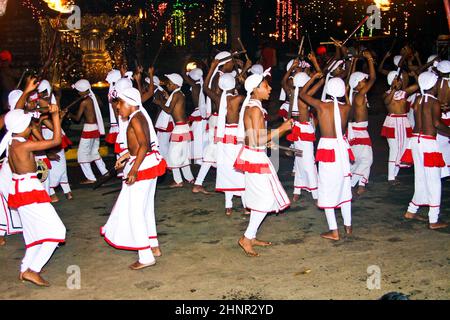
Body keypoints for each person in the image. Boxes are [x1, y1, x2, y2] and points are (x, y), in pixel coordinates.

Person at [101, 87, 167, 269]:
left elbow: (144, 145)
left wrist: (134, 169)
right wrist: (125, 157)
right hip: (148, 163)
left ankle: (145, 256)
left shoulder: (136, 119)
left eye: (119, 104)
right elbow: (139, 145)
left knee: (135, 212)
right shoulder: (138, 116)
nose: (117, 108)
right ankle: (153, 246)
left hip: (143, 166)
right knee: (145, 209)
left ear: (129, 102)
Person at [0, 107, 66, 286]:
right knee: (58, 231)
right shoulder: (24, 145)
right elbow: (57, 140)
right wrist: (54, 116)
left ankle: (24, 268)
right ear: (22, 126)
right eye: (29, 124)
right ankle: (33, 270)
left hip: (19, 188)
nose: (31, 126)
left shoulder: (11, 143)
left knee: (32, 233)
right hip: (29, 189)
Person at [234, 70, 292, 257]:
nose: (270, 89)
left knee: (260, 197)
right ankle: (246, 237)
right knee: (266, 199)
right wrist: (282, 128)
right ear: (256, 89)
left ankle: (251, 237)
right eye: (266, 86)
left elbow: (251, 138)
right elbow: (257, 140)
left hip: (252, 155)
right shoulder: (256, 109)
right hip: (255, 157)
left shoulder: (252, 106)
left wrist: (267, 139)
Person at [300, 75, 353, 241]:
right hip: (342, 148)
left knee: (327, 187)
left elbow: (302, 94)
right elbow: (345, 100)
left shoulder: (321, 106)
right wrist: (345, 93)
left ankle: (334, 231)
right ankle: (348, 226)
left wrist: (315, 78)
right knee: (344, 185)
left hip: (328, 149)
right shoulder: (347, 108)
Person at [401, 72, 449, 229]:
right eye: (436, 84)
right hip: (428, 143)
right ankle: (433, 219)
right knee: (434, 180)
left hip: (415, 140)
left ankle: (411, 210)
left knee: (421, 177)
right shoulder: (433, 102)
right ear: (432, 85)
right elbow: (436, 123)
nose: (437, 86)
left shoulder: (418, 99)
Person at [193, 52, 235, 194]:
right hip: (218, 120)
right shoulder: (219, 77)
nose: (233, 64)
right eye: (231, 62)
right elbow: (215, 96)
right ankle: (229, 183)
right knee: (219, 150)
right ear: (226, 63)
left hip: (216, 119)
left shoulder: (218, 75)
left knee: (214, 151)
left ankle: (199, 183)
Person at [214, 72, 246, 215]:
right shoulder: (237, 98)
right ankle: (246, 205)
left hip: (224, 134)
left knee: (227, 167)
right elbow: (249, 95)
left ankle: (228, 205)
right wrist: (242, 82)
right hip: (235, 134)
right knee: (240, 167)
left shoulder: (219, 99)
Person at [154, 74, 194, 187]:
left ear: (176, 84)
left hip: (180, 128)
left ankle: (178, 181)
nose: (167, 85)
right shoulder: (178, 94)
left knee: (172, 155)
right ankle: (189, 178)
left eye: (170, 83)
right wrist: (167, 98)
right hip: (183, 127)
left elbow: (169, 110)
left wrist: (160, 103)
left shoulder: (176, 94)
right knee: (183, 154)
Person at [37, 80, 73, 202]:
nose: (42, 96)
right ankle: (53, 193)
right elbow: (53, 125)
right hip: (47, 137)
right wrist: (59, 117)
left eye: (43, 92)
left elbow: (56, 127)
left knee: (60, 164)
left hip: (56, 136)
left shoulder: (53, 100)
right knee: (50, 166)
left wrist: (59, 116)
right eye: (40, 93)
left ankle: (66, 192)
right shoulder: (40, 106)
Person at [347, 51, 376, 195]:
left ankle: (358, 184)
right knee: (366, 159)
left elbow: (350, 81)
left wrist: (353, 63)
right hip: (358, 130)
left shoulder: (353, 94)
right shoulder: (359, 95)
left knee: (359, 159)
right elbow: (373, 78)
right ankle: (351, 182)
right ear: (358, 85)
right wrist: (369, 59)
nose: (365, 82)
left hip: (356, 129)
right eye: (363, 81)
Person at [69, 79, 108, 184]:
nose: (77, 93)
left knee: (82, 154)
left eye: (78, 91)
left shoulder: (85, 101)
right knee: (94, 151)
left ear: (83, 91)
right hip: (96, 128)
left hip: (89, 129)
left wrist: (69, 114)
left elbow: (77, 118)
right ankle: (104, 171)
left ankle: (91, 177)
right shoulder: (94, 98)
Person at [381, 71, 418, 185]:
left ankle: (395, 175)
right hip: (392, 122)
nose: (400, 82)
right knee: (394, 149)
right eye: (398, 80)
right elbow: (387, 102)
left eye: (400, 80)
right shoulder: (386, 94)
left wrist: (415, 76)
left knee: (402, 149)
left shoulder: (404, 93)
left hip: (404, 121)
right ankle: (391, 177)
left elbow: (418, 85)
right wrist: (393, 89)